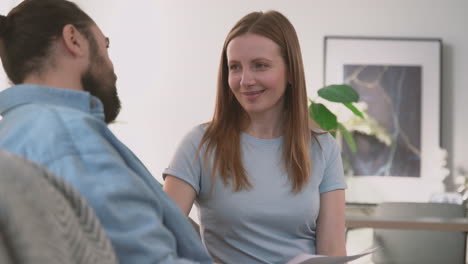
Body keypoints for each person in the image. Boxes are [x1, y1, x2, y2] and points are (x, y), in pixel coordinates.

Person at [0, 1, 212, 263]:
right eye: (105, 45)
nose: (111, 65)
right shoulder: (70, 138)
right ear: (74, 40)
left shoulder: (13, 133)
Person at [163, 10, 347, 264]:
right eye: (235, 67)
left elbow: (333, 249)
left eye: (260, 66)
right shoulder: (200, 144)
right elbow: (159, 238)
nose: (245, 80)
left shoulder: (323, 147)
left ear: (291, 71)